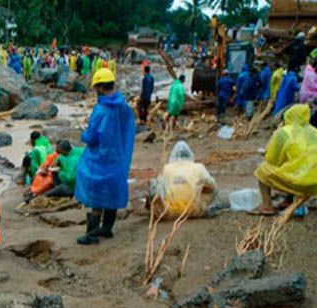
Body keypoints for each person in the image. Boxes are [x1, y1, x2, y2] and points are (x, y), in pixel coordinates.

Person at [75, 68, 135, 245]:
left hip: (99, 161)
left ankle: (91, 234)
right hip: (117, 159)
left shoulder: (101, 110)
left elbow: (92, 136)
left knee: (95, 197)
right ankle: (107, 228)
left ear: (100, 87)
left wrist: (83, 135)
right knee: (112, 194)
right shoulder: (123, 106)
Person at [250, 104, 317, 215]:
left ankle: (267, 206)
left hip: (300, 182)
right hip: (315, 185)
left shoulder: (284, 132)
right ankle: (288, 200)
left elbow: (272, 160)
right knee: (292, 166)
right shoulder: (314, 131)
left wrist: (266, 153)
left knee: (262, 170)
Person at [149, 141, 217, 219]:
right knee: (211, 185)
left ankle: (159, 209)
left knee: (155, 184)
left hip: (168, 212)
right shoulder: (198, 167)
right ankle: (201, 206)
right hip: (194, 210)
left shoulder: (166, 168)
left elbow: (160, 188)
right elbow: (212, 186)